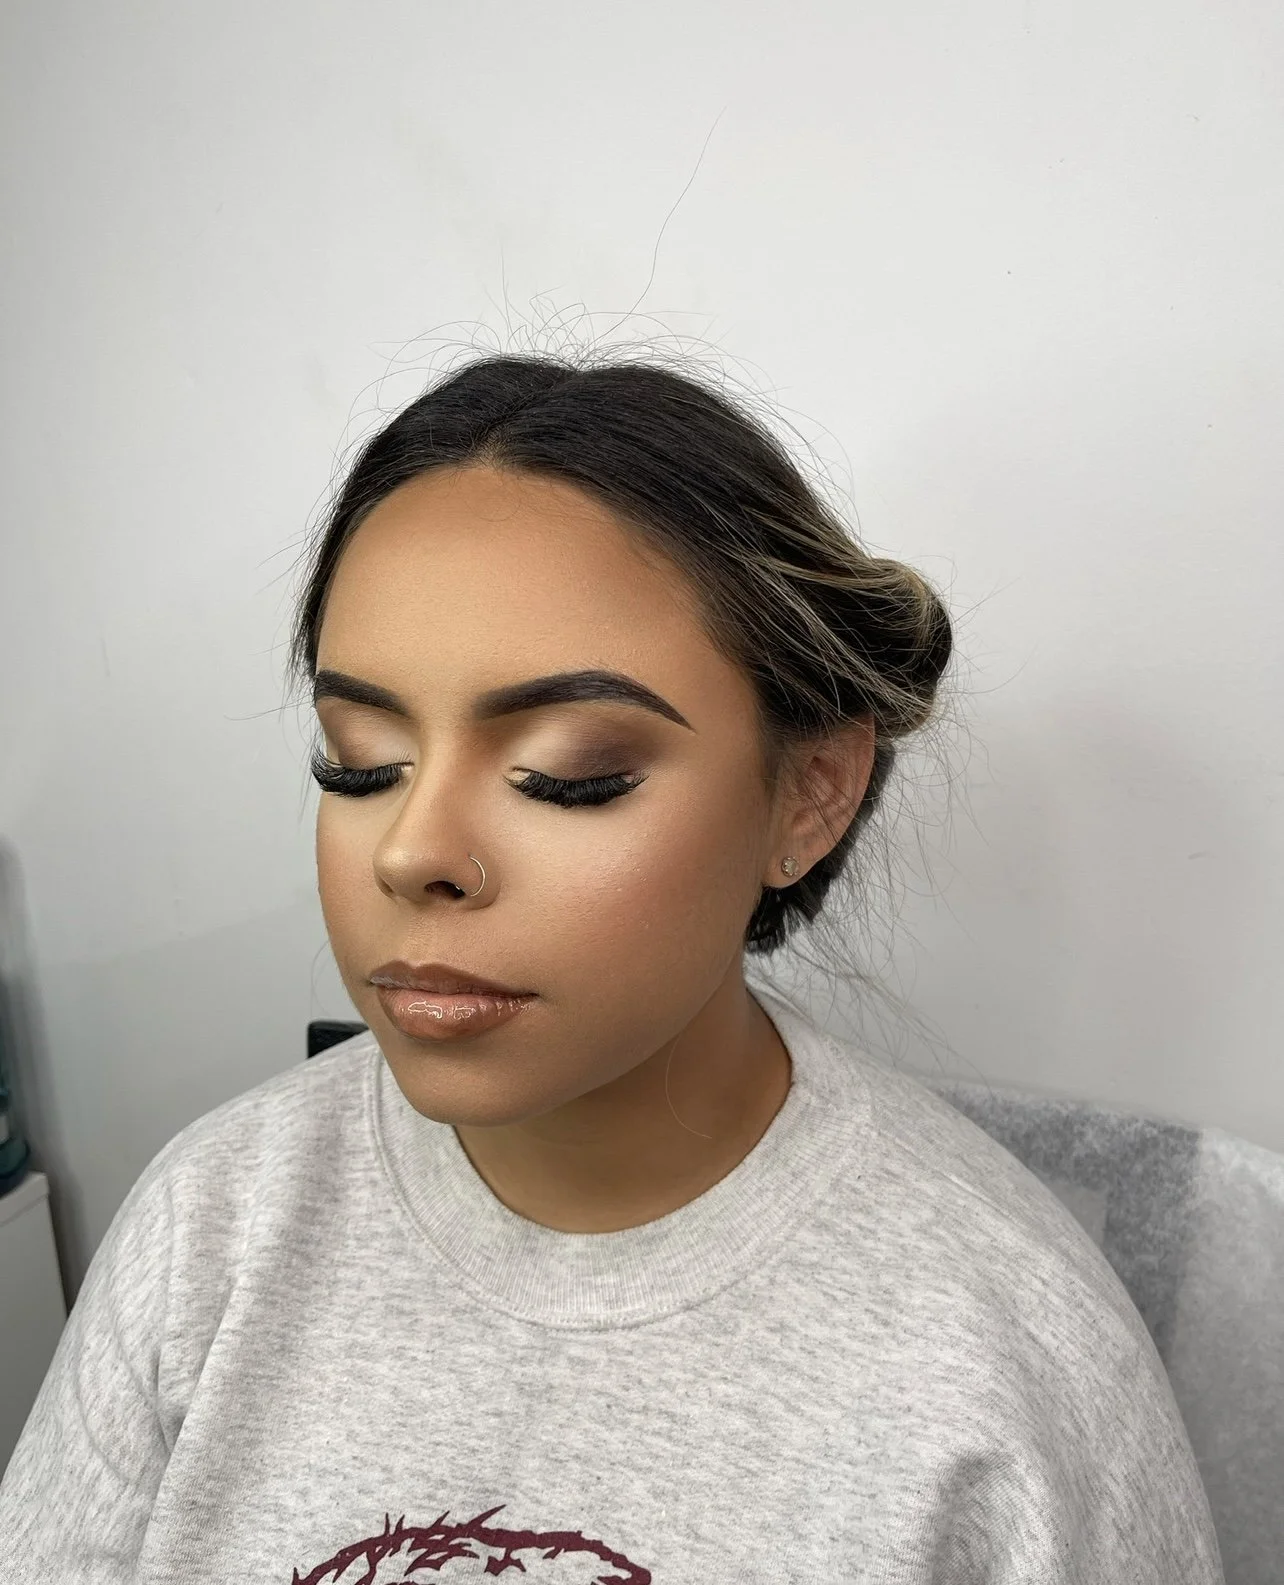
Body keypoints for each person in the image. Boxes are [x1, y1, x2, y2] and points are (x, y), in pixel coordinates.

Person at [0, 351, 1224, 1582]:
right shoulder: (211, 1225)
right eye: (359, 763)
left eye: (570, 775)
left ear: (812, 792)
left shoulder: (1011, 1361)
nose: (414, 851)